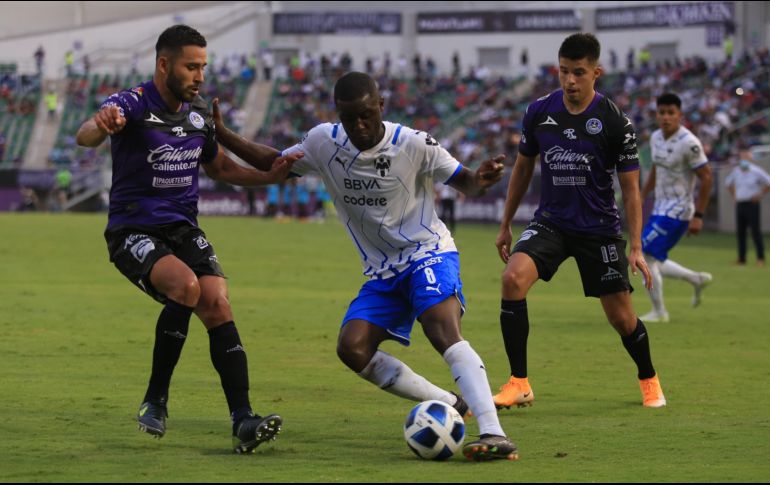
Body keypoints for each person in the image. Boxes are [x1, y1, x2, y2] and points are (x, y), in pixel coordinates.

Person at [214, 71, 519, 461]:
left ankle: (493, 432)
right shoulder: (323, 142)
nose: (359, 125)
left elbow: (468, 183)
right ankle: (449, 403)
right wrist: (223, 134)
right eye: (349, 118)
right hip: (382, 272)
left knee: (441, 328)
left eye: (366, 115)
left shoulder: (415, 143)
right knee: (353, 348)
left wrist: (483, 178)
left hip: (429, 252)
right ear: (337, 115)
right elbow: (273, 162)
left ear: (381, 106)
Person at [75, 24, 302, 454]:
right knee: (186, 286)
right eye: (191, 66)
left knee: (217, 301)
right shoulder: (131, 103)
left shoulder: (198, 114)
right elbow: (85, 134)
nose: (200, 76)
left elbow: (221, 169)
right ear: (164, 64)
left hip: (182, 228)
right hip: (132, 229)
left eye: (203, 67)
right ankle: (155, 401)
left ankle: (243, 420)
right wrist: (101, 125)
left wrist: (269, 178)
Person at [493, 33, 666, 411]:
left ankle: (648, 378)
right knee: (512, 279)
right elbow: (522, 168)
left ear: (596, 73)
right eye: (563, 72)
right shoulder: (539, 111)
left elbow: (631, 190)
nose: (569, 80)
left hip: (598, 230)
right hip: (551, 223)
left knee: (622, 318)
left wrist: (636, 246)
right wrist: (506, 223)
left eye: (579, 73)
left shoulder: (615, 122)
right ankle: (519, 383)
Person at [638, 93, 714, 323]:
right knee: (651, 257)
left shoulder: (689, 143)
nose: (666, 117)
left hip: (679, 210)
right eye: (661, 113)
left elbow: (707, 178)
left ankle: (660, 312)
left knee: (643, 254)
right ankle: (695, 279)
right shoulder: (655, 138)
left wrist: (698, 216)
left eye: (671, 113)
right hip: (660, 208)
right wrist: (641, 196)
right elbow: (656, 168)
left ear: (680, 115)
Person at [725, 150, 770, 266]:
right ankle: (741, 258)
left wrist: (760, 195)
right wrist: (734, 196)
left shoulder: (756, 171)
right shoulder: (736, 171)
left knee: (755, 232)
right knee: (741, 232)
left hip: (752, 204)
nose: (744, 160)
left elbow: (768, 182)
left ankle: (760, 258)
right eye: (742, 157)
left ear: (751, 159)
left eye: (746, 157)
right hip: (740, 203)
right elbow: (728, 183)